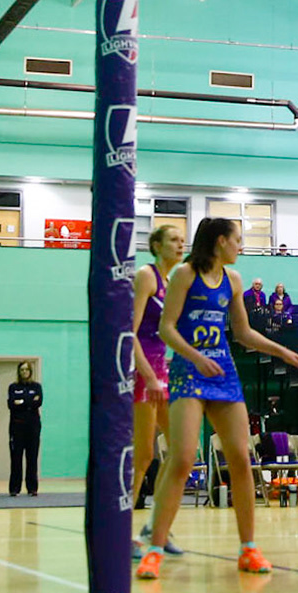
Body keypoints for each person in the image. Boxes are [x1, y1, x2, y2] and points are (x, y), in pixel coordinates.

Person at [138, 218, 298, 580]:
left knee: (240, 458)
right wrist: (196, 356)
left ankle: (248, 548)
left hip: (224, 373)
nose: (240, 246)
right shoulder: (186, 275)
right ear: (220, 242)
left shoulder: (233, 281)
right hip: (190, 371)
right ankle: (154, 548)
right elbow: (165, 328)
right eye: (237, 240)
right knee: (183, 457)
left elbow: (244, 332)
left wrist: (283, 352)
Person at [130, 225, 182, 539]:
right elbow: (128, 332)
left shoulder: (172, 281)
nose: (180, 244)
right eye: (173, 240)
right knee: (144, 454)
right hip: (142, 373)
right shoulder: (146, 276)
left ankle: (155, 526)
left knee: (180, 450)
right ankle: (122, 532)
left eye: (181, 240)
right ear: (156, 245)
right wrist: (148, 375)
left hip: (161, 370)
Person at [7, 361, 43, 497]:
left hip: (33, 427)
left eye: (27, 370)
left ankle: (32, 488)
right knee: (16, 458)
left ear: (30, 371)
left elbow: (38, 402)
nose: (24, 372)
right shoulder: (13, 387)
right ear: (19, 372)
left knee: (32, 457)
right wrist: (28, 401)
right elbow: (11, 404)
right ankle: (14, 488)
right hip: (17, 427)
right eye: (22, 370)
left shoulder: (37, 386)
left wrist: (21, 401)